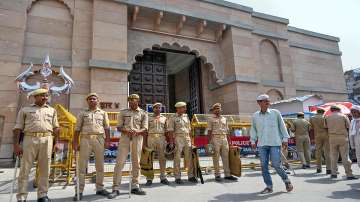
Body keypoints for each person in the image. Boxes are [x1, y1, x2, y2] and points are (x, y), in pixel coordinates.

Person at [13, 88, 59, 202]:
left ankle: (42, 195)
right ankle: (22, 196)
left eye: (46, 95)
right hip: (30, 138)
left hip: (47, 139)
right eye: (42, 95)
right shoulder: (25, 110)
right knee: (25, 169)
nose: (45, 98)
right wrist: (16, 145)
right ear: (35, 97)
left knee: (45, 169)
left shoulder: (52, 110)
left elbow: (56, 128)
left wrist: (57, 143)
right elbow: (18, 128)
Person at [250, 94, 293, 194]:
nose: (268, 102)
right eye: (265, 101)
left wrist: (285, 138)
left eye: (268, 100)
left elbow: (282, 126)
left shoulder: (275, 113)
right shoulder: (255, 116)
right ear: (259, 103)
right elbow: (253, 129)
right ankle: (269, 186)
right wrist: (252, 141)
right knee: (263, 165)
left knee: (276, 164)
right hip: (262, 144)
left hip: (275, 143)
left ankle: (286, 181)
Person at [108, 94, 148, 199]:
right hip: (125, 138)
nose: (132, 102)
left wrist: (137, 131)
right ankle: (116, 188)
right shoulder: (123, 112)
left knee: (136, 162)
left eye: (134, 100)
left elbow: (145, 128)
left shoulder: (143, 113)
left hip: (137, 138)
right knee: (119, 163)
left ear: (138, 101)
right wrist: (126, 130)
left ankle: (135, 186)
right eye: (130, 100)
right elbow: (119, 127)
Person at [72, 93, 111, 200]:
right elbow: (77, 129)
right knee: (81, 166)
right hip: (85, 139)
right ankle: (79, 191)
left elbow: (107, 127)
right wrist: (75, 142)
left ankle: (100, 188)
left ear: (98, 101)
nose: (92, 100)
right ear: (87, 101)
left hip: (99, 139)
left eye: (94, 99)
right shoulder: (82, 113)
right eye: (90, 99)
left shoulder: (103, 113)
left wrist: (108, 140)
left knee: (100, 165)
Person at [167, 102, 198, 184]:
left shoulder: (186, 116)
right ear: (178, 108)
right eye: (183, 107)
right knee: (177, 158)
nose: (185, 109)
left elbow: (189, 129)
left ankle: (191, 176)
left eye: (185, 107)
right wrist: (171, 142)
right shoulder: (172, 117)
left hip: (187, 138)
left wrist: (192, 141)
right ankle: (177, 177)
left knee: (189, 158)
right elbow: (170, 131)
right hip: (178, 138)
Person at [207, 103, 238, 182]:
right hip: (215, 138)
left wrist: (229, 141)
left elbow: (227, 131)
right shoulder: (210, 119)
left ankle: (227, 174)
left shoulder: (224, 119)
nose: (218, 110)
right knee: (216, 158)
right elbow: (209, 131)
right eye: (216, 109)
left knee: (226, 157)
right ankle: (217, 175)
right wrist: (209, 142)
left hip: (224, 138)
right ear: (213, 110)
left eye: (219, 109)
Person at [324, 105, 356, 179]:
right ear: (339, 110)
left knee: (333, 156)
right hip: (343, 137)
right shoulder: (343, 116)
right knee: (345, 156)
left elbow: (325, 128)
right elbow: (349, 127)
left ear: (331, 110)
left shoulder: (327, 117)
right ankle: (349, 174)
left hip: (332, 138)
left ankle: (334, 173)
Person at [145, 102, 170, 186]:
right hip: (151, 137)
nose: (158, 109)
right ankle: (149, 178)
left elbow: (167, 131)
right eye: (156, 108)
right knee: (149, 158)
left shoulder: (164, 118)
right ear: (153, 109)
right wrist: (144, 143)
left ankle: (163, 177)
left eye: (159, 108)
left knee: (162, 158)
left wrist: (169, 141)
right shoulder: (148, 118)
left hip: (161, 138)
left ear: (161, 109)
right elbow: (145, 131)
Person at [310, 108, 331, 174]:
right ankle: (328, 169)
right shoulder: (325, 117)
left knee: (318, 152)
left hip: (317, 135)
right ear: (323, 112)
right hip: (326, 135)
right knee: (327, 152)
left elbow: (311, 128)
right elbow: (328, 127)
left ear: (317, 112)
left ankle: (318, 168)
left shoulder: (312, 118)